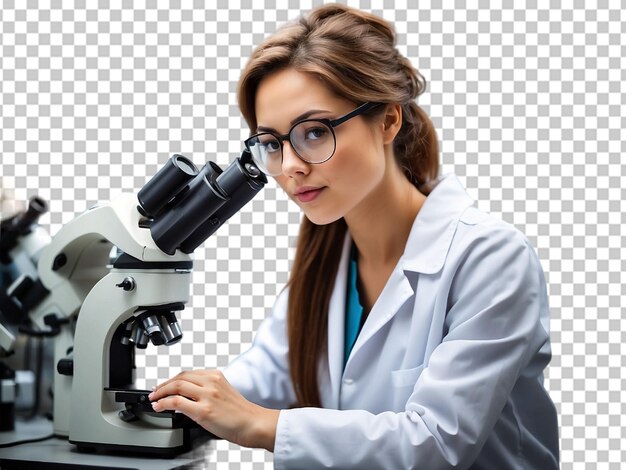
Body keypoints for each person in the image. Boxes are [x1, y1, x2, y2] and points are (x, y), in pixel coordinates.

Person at [149, 4, 559, 468]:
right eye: (271, 144)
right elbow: (260, 379)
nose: (290, 167)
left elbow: (436, 443)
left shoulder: (490, 259)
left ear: (387, 120)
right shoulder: (325, 264)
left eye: (315, 132)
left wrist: (259, 424)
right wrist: (166, 401)